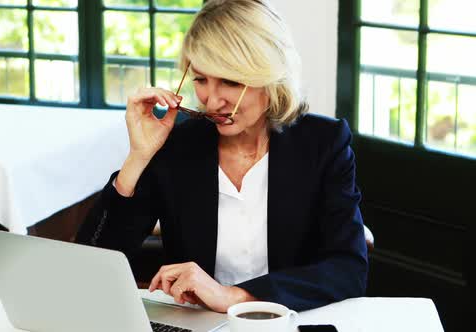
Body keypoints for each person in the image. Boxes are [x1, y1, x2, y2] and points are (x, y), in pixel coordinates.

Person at [76, 0, 367, 313]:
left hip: (289, 320)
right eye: (201, 80)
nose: (211, 102)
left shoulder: (323, 143)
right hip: (199, 324)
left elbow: (348, 270)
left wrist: (234, 296)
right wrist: (138, 157)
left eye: (230, 81)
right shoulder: (176, 144)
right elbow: (90, 265)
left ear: (269, 78)